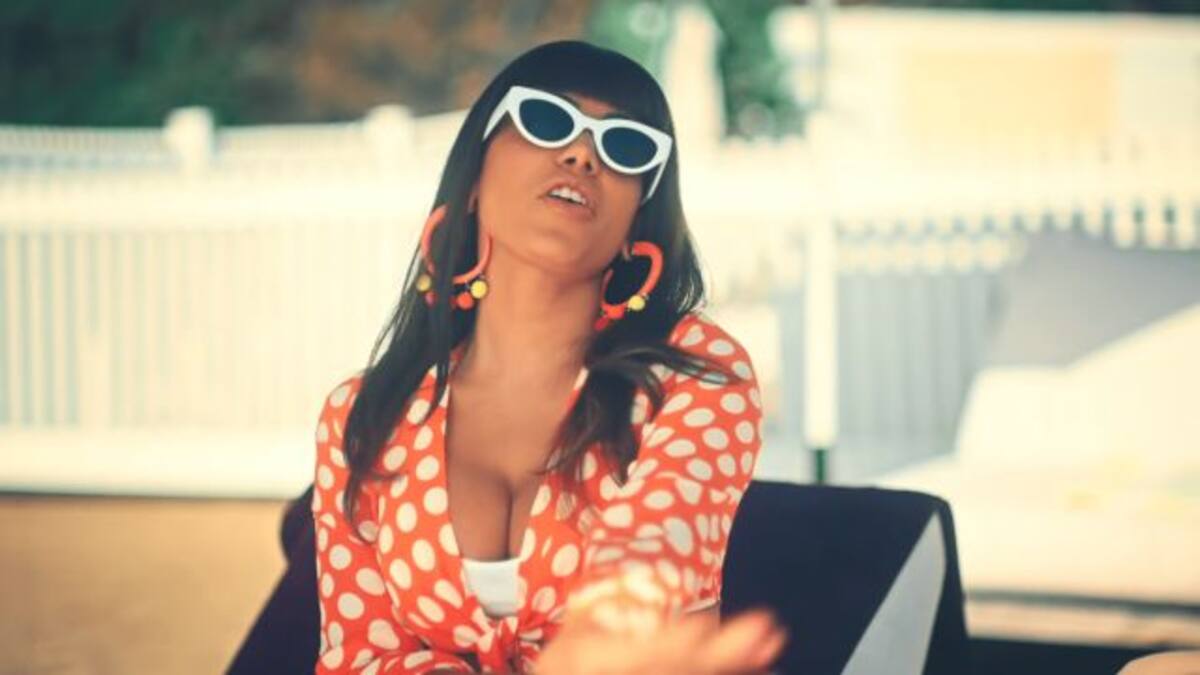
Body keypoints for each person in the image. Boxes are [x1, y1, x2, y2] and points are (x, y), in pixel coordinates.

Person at [310, 40, 785, 674]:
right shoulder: (362, 415)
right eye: (546, 119)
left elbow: (655, 548)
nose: (583, 153)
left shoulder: (696, 372)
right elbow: (360, 657)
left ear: (636, 223)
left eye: (627, 146)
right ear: (473, 179)